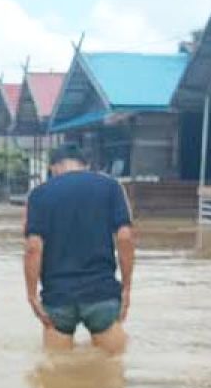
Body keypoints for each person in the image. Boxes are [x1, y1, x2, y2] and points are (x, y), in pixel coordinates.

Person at [23, 144, 135, 355]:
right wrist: (126, 287)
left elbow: (33, 248)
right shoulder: (111, 187)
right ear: (86, 165)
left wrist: (31, 296)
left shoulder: (39, 195)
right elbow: (125, 237)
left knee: (55, 373)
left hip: (58, 297)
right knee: (114, 371)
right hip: (101, 293)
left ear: (53, 167)